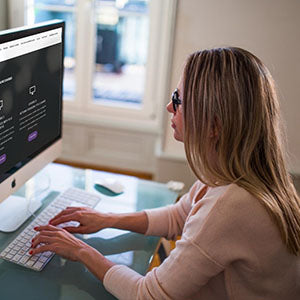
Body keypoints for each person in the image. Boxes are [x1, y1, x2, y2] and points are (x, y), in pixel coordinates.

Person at [30, 47, 300, 299]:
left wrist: (80, 250)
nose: (170, 107)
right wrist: (107, 219)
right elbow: (179, 216)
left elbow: (148, 294)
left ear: (214, 126)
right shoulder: (242, 174)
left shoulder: (231, 205)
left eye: (178, 100)